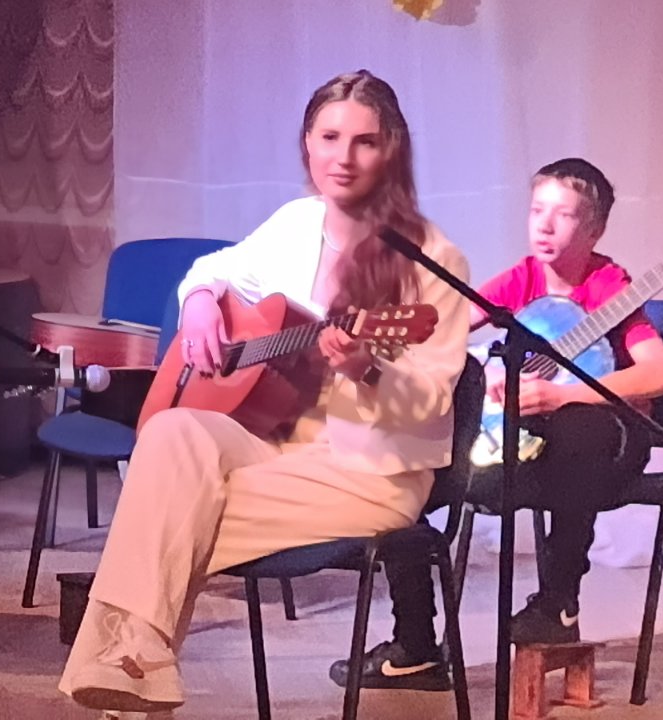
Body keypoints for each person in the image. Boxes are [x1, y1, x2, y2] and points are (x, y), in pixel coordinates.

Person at [58, 70, 471, 716]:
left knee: (164, 513)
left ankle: (128, 678)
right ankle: (136, 667)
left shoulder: (431, 258)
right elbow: (216, 268)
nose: (343, 156)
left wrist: (367, 368)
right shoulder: (297, 222)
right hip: (278, 440)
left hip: (372, 471)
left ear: (391, 149)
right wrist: (199, 302)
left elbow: (431, 399)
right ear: (307, 142)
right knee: (170, 432)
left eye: (364, 141)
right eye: (329, 137)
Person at [333, 158, 663, 691]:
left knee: (579, 430)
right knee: (410, 461)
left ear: (595, 230)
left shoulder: (609, 286)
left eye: (564, 215)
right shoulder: (522, 279)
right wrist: (479, 369)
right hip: (523, 445)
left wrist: (562, 394)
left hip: (604, 445)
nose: (545, 225)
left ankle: (558, 602)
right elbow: (443, 334)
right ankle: (416, 646)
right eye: (537, 210)